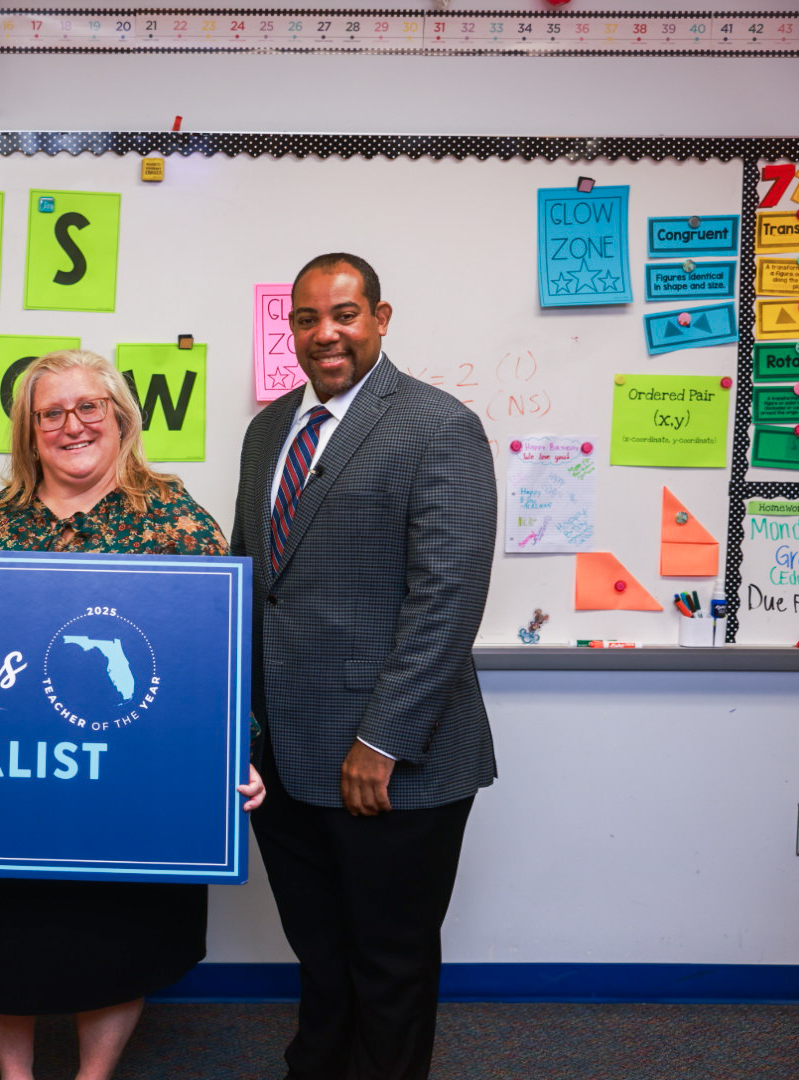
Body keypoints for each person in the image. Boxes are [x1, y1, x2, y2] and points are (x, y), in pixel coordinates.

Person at [0, 348, 264, 1080]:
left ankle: (95, 1076)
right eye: (50, 413)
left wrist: (235, 751)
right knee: (5, 937)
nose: (71, 425)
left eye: (87, 407)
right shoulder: (0, 522)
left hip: (133, 779)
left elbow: (219, 648)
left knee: (116, 938)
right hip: (18, 783)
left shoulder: (174, 516)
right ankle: (16, 1075)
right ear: (30, 432)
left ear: (120, 416)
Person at [231, 253, 497, 1080]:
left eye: (344, 314)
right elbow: (253, 582)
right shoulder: (270, 429)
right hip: (283, 755)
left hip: (389, 764)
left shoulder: (437, 426)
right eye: (307, 319)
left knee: (389, 968)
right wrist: (236, 725)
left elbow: (446, 600)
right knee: (320, 955)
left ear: (382, 318)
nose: (326, 333)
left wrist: (381, 740)